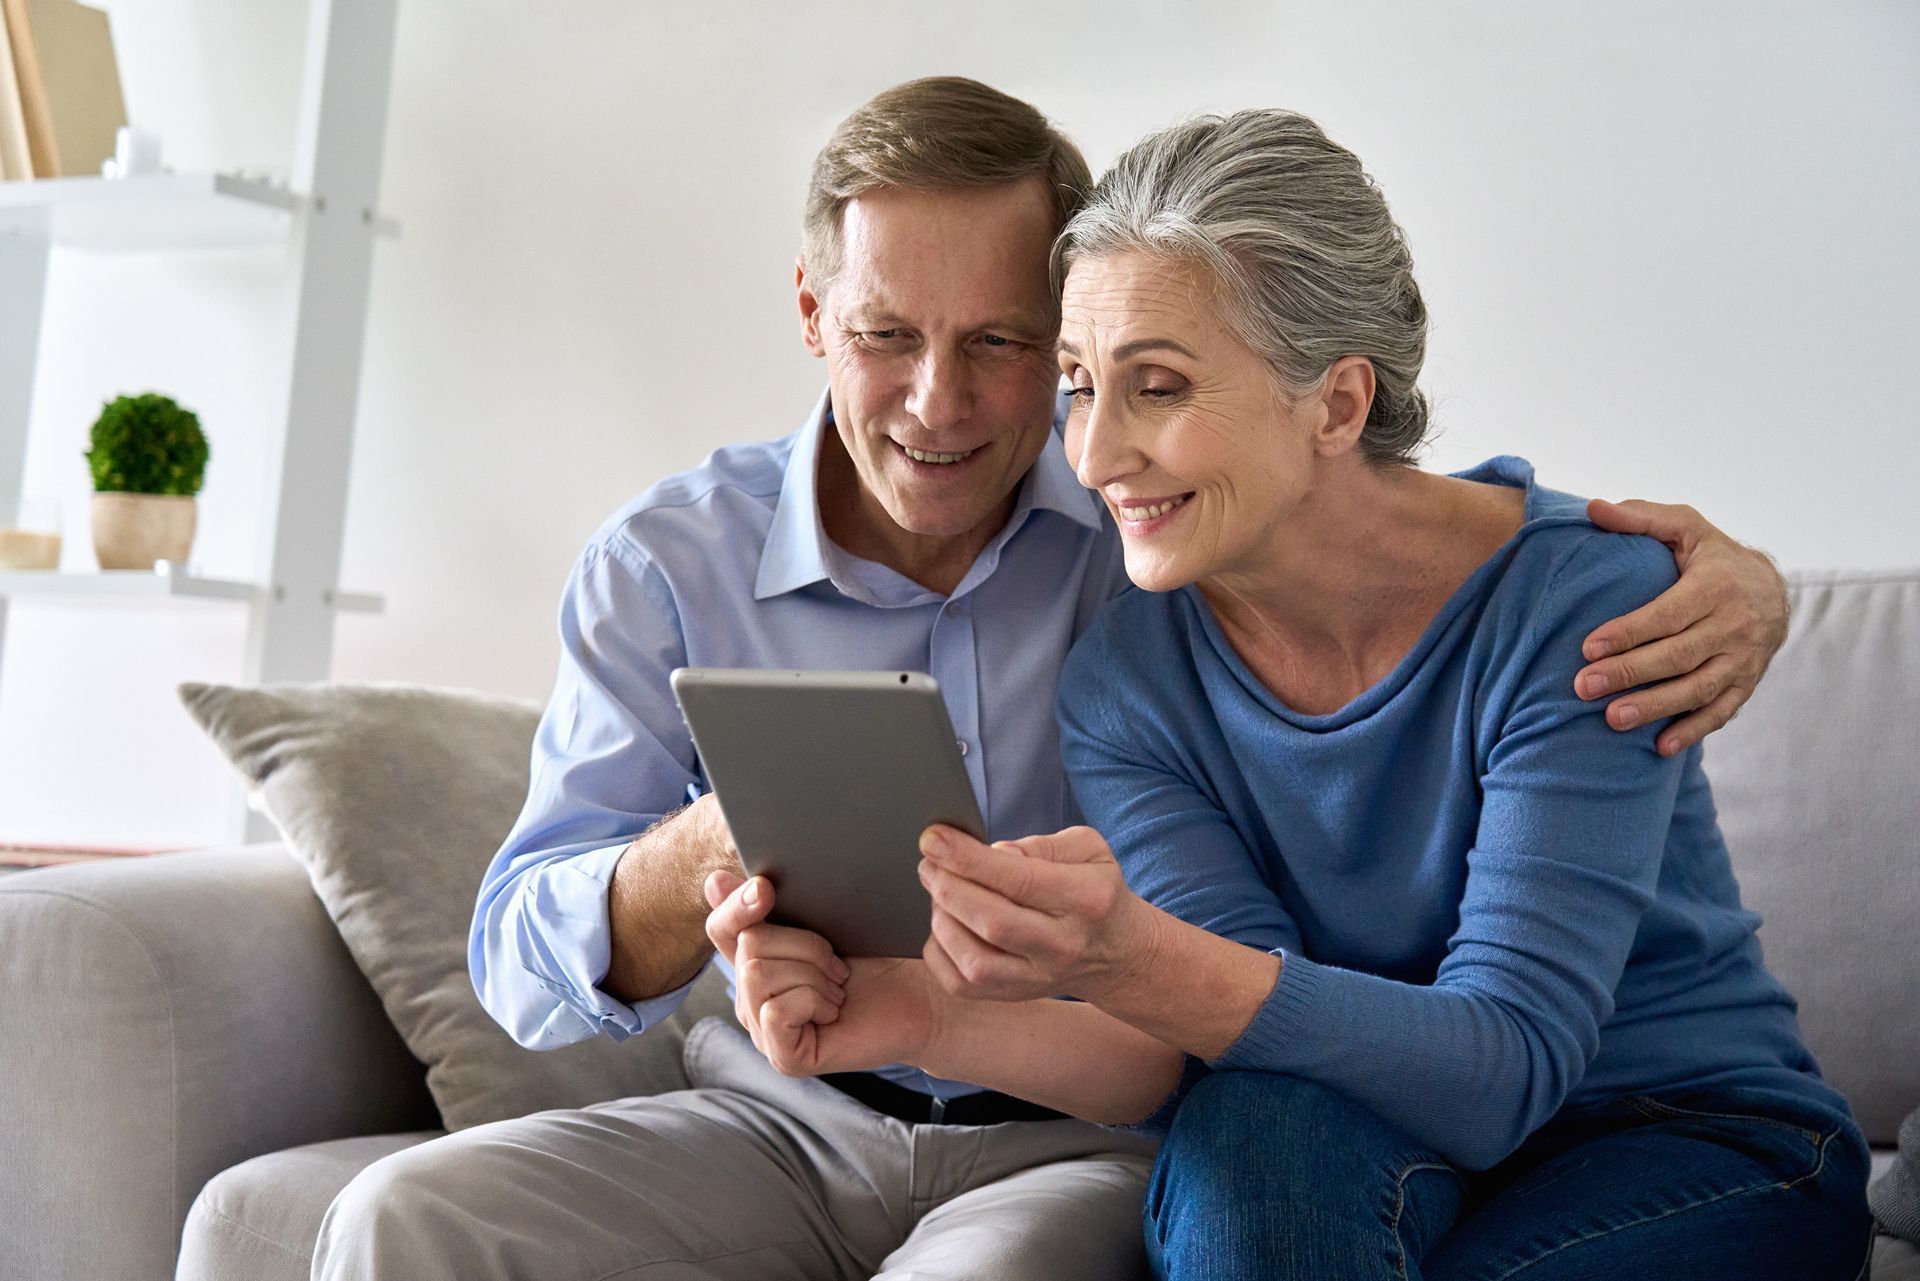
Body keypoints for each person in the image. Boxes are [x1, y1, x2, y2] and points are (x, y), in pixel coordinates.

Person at [314, 81, 1794, 1280]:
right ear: (815, 315)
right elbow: (518, 955)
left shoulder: (1151, 553)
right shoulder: (1119, 638)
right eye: (890, 335)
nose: (969, 411)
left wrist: (1740, 578)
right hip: (849, 1104)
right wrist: (748, 863)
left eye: (1018, 352)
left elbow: (1425, 1033)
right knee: (399, 1216)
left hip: (1251, 1128)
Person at [711, 109, 1873, 1279]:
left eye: (1156, 387)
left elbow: (1506, 1068)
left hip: (1675, 1139)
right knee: (1253, 1135)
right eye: (1077, 384)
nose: (1096, 453)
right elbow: (1235, 1039)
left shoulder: (1583, 606)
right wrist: (926, 1010)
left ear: (1338, 403)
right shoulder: (1127, 679)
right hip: (1347, 1131)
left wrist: (1125, 954)